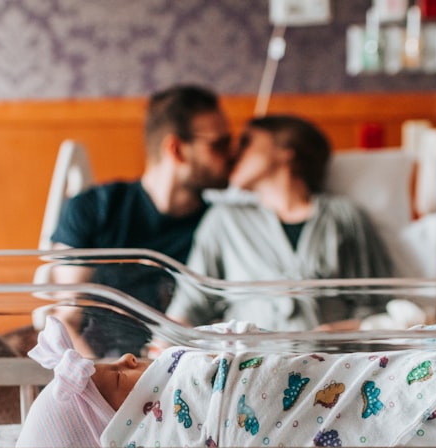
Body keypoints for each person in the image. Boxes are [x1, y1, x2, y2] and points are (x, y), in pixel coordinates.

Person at [15, 317, 436, 448]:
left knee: (404, 357)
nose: (131, 357)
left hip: (344, 369)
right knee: (424, 391)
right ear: (119, 429)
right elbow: (224, 395)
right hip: (358, 417)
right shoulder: (167, 433)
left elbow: (254, 353)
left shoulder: (176, 376)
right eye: (116, 375)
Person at [47, 84, 234, 357]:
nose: (232, 155)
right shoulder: (93, 210)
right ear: (177, 150)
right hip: (97, 370)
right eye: (220, 144)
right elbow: (65, 321)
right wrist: (107, 387)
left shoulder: (220, 227)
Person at [165, 114, 394, 332]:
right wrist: (159, 356)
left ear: (286, 152)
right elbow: (190, 304)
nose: (234, 154)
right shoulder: (224, 221)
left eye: (246, 142)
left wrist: (337, 333)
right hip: (249, 365)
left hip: (334, 364)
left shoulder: (344, 216)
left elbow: (379, 305)